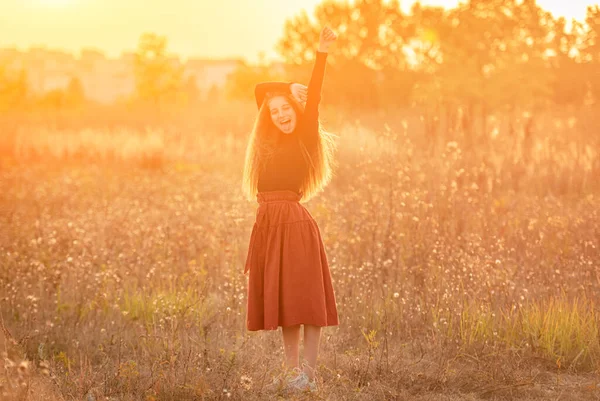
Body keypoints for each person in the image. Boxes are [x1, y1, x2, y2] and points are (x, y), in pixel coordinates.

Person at [241, 26, 339, 394]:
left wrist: (319, 57)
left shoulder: (304, 137)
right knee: (285, 305)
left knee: (306, 300)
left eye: (287, 109)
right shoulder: (264, 144)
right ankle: (292, 371)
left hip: (295, 224)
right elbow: (258, 91)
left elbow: (312, 101)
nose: (283, 115)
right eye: (276, 111)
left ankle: (309, 377)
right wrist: (283, 87)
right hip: (268, 224)